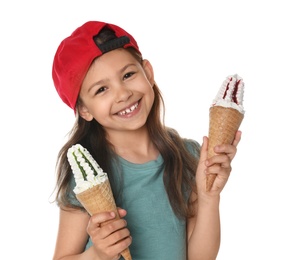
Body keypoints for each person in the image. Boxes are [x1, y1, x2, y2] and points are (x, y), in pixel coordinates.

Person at [51, 21, 241, 260]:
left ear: (148, 72)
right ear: (84, 109)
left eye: (128, 75)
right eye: (101, 90)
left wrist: (208, 197)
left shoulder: (189, 155)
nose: (123, 94)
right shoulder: (87, 171)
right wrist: (97, 255)